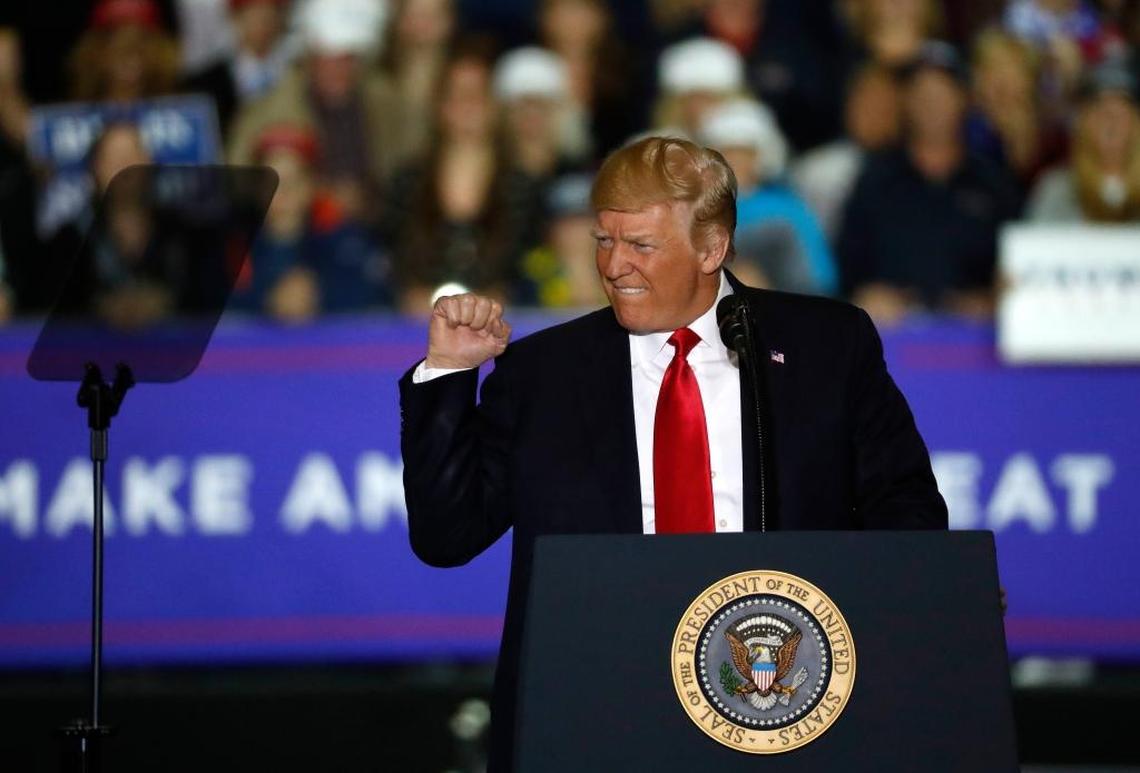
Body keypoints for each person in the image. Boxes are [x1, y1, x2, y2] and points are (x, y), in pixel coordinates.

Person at [399, 135, 947, 772]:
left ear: (711, 247)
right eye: (604, 240)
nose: (614, 265)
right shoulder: (541, 374)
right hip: (600, 715)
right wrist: (446, 374)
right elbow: (446, 536)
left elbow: (904, 509)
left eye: (641, 245)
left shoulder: (826, 345)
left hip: (786, 704)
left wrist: (921, 602)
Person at [837, 42, 1021, 324]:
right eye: (920, 92)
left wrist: (992, 300)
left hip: (974, 342)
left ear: (965, 99)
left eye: (942, 92)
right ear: (906, 101)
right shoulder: (875, 180)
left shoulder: (993, 184)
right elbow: (847, 269)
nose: (931, 102)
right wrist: (866, 296)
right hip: (893, 339)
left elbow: (1015, 271)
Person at [1026, 60, 1140, 222]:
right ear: (1082, 124)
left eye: (1120, 115)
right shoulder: (1056, 190)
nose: (1111, 124)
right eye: (1101, 114)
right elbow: (1034, 243)